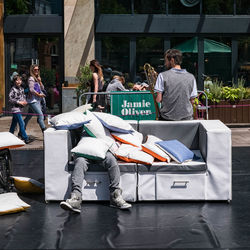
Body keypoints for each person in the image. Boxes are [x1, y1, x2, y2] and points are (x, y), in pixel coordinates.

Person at [60, 127, 132, 213]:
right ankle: (76, 198)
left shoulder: (106, 124)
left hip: (103, 150)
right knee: (80, 162)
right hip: (84, 151)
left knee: (112, 160)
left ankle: (115, 196)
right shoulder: (83, 124)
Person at [154, 49, 198, 121]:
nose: (165, 64)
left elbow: (158, 100)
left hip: (167, 117)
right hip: (187, 117)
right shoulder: (191, 77)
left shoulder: (162, 75)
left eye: (166, 61)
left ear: (172, 60)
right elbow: (192, 100)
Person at [9, 75, 32, 144]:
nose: (19, 81)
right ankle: (25, 138)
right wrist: (19, 102)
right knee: (22, 123)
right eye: (17, 80)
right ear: (14, 81)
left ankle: (10, 135)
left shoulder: (22, 89)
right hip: (15, 109)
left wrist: (25, 101)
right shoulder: (13, 89)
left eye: (20, 80)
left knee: (14, 124)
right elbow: (10, 99)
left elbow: (23, 97)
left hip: (20, 109)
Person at [23, 64, 46, 132]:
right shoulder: (31, 78)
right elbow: (31, 90)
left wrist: (40, 81)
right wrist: (39, 95)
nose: (36, 71)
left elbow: (42, 88)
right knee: (40, 115)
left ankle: (21, 131)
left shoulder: (37, 78)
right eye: (35, 69)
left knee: (28, 117)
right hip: (32, 101)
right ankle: (44, 131)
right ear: (32, 70)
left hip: (37, 100)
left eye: (37, 69)